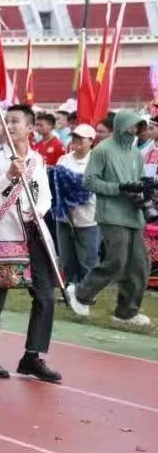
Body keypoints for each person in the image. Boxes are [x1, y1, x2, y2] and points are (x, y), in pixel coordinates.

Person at [0, 105, 61, 383]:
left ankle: (32, 356)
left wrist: (37, 211)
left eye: (15, 121)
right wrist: (8, 176)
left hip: (34, 233)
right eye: (6, 121)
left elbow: (45, 196)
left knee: (45, 296)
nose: (9, 126)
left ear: (30, 128)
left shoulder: (38, 160)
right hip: (4, 232)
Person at [66, 110, 151, 326]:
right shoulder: (102, 150)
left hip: (134, 214)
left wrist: (146, 192)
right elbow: (89, 181)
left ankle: (126, 313)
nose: (134, 130)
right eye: (131, 125)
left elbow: (140, 181)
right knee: (117, 261)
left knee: (140, 265)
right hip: (111, 214)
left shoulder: (135, 153)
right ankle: (80, 294)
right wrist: (118, 188)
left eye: (137, 126)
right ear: (121, 125)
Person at [53, 125, 99, 286]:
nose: (76, 141)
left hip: (88, 217)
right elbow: (57, 184)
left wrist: (74, 186)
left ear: (91, 141)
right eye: (74, 137)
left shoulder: (96, 161)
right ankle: (71, 288)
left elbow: (92, 186)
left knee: (88, 258)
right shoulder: (64, 160)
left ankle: (87, 291)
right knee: (67, 257)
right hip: (64, 216)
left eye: (81, 138)